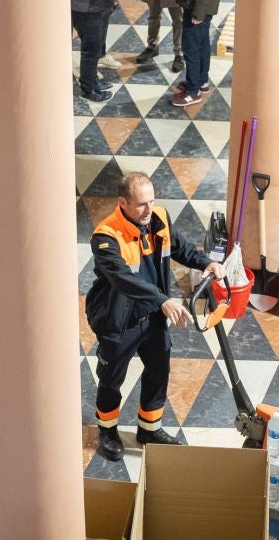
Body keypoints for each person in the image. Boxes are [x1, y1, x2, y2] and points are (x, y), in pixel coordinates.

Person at [86, 171, 222, 462]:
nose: (148, 210)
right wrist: (163, 300)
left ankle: (149, 428)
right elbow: (124, 280)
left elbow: (181, 248)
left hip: (153, 318)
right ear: (123, 202)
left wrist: (206, 262)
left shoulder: (159, 217)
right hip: (119, 323)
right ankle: (107, 431)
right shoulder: (105, 237)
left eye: (151, 201)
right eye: (140, 204)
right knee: (111, 379)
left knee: (158, 372)